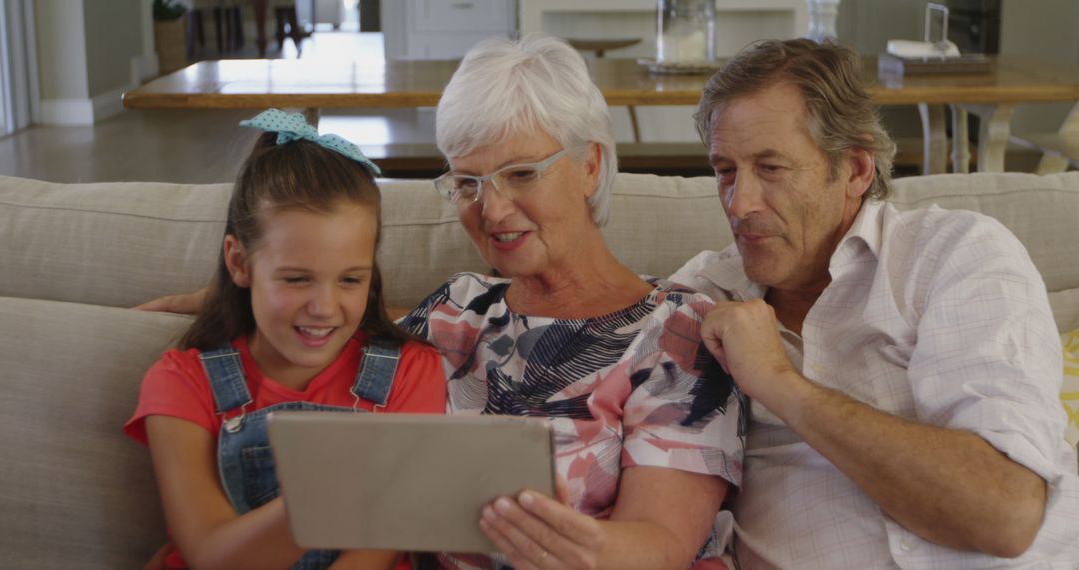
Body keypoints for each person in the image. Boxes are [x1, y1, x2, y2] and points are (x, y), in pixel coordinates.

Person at [677, 38, 1079, 568]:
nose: (740, 203)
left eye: (771, 169)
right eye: (725, 170)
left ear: (856, 169)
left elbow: (1005, 513)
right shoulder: (703, 297)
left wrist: (778, 381)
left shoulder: (953, 255)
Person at [398, 34, 743, 570]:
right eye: (468, 182)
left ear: (588, 166)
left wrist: (542, 535)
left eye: (520, 174)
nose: (491, 210)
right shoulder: (453, 311)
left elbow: (660, 545)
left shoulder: (677, 333)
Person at [124, 109, 447, 570]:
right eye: (297, 280)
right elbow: (212, 556)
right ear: (239, 263)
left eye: (351, 280)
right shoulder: (180, 381)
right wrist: (343, 490)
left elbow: (374, 554)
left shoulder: (412, 371)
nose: (325, 307)